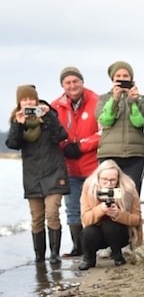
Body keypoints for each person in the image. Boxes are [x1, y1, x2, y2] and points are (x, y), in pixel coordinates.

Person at [6, 85, 70, 264]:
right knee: (36, 217)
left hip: (54, 171)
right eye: (24, 99)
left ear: (36, 99)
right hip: (32, 175)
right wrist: (18, 124)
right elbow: (12, 144)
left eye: (31, 99)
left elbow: (61, 135)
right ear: (19, 102)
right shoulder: (17, 120)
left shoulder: (49, 115)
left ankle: (55, 255)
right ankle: (39, 257)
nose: (28, 102)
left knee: (52, 213)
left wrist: (47, 116)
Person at [51, 67, 101, 258]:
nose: (72, 85)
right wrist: (65, 146)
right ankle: (78, 247)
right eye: (67, 82)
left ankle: (95, 246)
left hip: (93, 166)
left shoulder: (96, 101)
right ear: (63, 86)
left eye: (75, 81)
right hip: (69, 168)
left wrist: (81, 146)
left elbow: (103, 133)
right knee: (72, 209)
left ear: (82, 82)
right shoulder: (55, 106)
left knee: (95, 207)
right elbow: (54, 134)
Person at [96, 61, 144, 195]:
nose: (122, 78)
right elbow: (105, 120)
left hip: (135, 154)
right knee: (108, 195)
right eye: (118, 76)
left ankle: (130, 217)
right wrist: (114, 100)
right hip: (109, 153)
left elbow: (139, 122)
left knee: (131, 194)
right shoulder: (104, 98)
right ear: (113, 79)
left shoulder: (141, 99)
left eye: (125, 76)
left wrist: (132, 102)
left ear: (131, 78)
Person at [77, 159, 143, 270]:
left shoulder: (128, 187)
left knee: (110, 225)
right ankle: (89, 258)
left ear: (118, 180)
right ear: (98, 178)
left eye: (113, 180)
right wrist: (100, 209)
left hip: (119, 232)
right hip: (96, 233)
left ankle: (117, 256)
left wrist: (119, 215)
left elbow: (137, 219)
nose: (108, 184)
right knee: (88, 232)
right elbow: (85, 219)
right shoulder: (89, 186)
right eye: (104, 180)